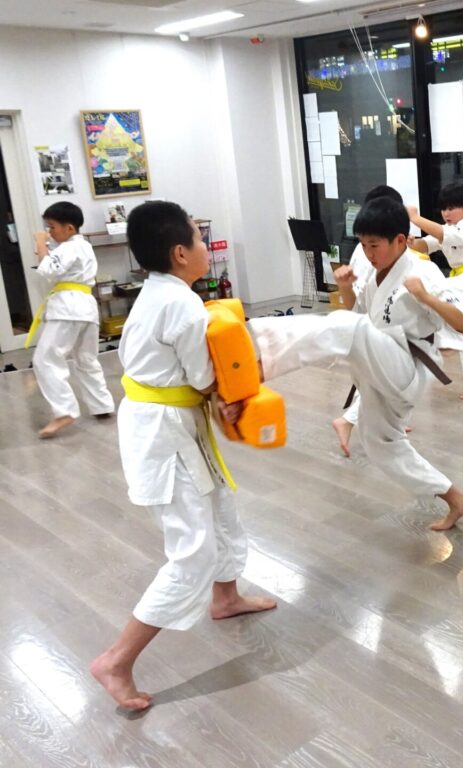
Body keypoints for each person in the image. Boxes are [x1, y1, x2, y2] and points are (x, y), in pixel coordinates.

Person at [90, 201, 275, 711]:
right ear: (179, 252)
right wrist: (247, 378)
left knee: (222, 508)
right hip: (164, 432)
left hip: (169, 421)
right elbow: (203, 378)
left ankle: (226, 597)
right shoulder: (182, 305)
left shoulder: (159, 292)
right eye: (197, 237)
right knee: (192, 551)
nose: (203, 246)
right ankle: (116, 661)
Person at [248, 197, 463, 532]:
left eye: (374, 245)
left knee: (350, 328)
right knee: (380, 444)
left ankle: (258, 356)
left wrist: (426, 297)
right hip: (382, 362)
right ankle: (457, 498)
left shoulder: (423, 271)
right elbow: (358, 313)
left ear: (400, 240)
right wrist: (345, 288)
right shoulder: (375, 273)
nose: (368, 253)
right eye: (363, 244)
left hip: (409, 364)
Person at [29, 201, 114, 438]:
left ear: (69, 228)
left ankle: (64, 411)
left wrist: (40, 243)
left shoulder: (70, 247)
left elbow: (48, 270)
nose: (49, 232)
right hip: (85, 308)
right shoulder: (82, 246)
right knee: (86, 359)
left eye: (52, 227)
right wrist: (47, 248)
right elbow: (54, 264)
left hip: (68, 309)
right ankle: (102, 405)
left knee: (45, 359)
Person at [408, 182, 463, 400]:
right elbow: (427, 244)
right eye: (443, 209)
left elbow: (445, 235)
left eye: (451, 208)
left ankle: (447, 341)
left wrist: (415, 218)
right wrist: (411, 243)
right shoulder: (448, 230)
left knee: (437, 290)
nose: (446, 213)